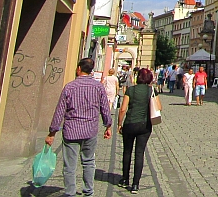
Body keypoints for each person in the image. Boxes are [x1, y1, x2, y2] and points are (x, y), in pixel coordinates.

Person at [46, 58, 112, 197]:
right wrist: (108, 125)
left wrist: (52, 132)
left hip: (71, 130)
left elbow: (60, 111)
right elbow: (105, 108)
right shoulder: (98, 87)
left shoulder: (69, 87)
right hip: (90, 130)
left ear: (79, 69)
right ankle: (88, 191)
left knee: (70, 165)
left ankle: (70, 193)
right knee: (88, 162)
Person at [117, 67, 161, 194]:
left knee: (127, 151)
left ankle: (125, 179)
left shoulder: (131, 90)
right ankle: (135, 184)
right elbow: (159, 107)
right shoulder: (152, 90)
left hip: (130, 124)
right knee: (139, 153)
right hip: (145, 126)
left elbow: (123, 109)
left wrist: (120, 124)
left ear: (138, 77)